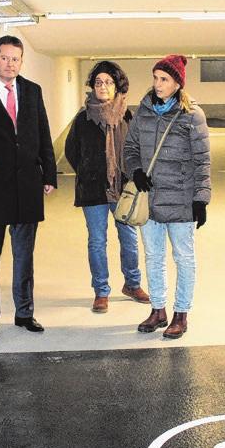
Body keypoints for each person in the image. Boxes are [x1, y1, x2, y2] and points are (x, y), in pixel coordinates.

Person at [0, 36, 57, 340]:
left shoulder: (31, 91)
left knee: (24, 256)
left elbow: (42, 132)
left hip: (26, 186)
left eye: (16, 59)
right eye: (5, 58)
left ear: (21, 61)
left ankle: (24, 313)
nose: (10, 64)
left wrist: (49, 174)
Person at [123, 55, 211, 339]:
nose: (158, 84)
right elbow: (130, 148)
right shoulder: (143, 111)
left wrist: (201, 198)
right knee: (153, 256)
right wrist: (135, 170)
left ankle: (181, 313)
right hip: (150, 199)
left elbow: (202, 160)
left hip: (182, 199)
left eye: (164, 79)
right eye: (155, 78)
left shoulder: (192, 115)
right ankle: (158, 310)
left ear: (177, 83)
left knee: (184, 258)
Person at [64, 61, 150, 312]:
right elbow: (72, 151)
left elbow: (135, 149)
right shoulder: (83, 118)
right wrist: (89, 170)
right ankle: (101, 291)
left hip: (123, 188)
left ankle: (132, 284)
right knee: (97, 241)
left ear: (117, 86)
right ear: (92, 86)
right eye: (98, 82)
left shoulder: (126, 115)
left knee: (129, 238)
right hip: (92, 189)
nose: (103, 86)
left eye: (109, 82)